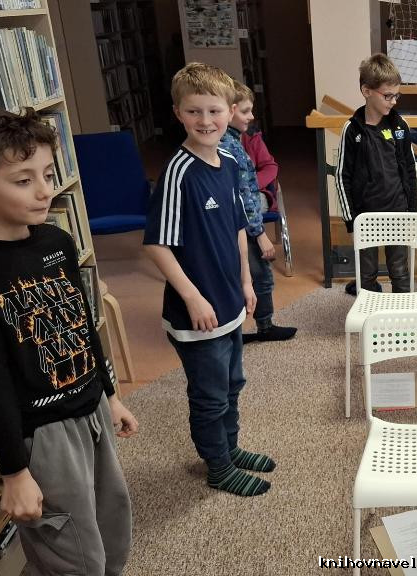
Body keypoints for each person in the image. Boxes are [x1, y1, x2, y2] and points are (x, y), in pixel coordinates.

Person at [0, 106, 138, 574]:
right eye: (24, 181)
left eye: (47, 174)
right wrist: (15, 471)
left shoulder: (55, 242)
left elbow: (82, 327)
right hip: (42, 434)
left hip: (91, 409)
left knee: (112, 531)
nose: (45, 190)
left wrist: (109, 395)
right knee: (72, 555)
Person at [143, 62, 273, 497]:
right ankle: (217, 466)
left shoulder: (229, 161)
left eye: (214, 111)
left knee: (233, 384)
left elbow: (238, 229)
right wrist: (193, 298)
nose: (205, 121)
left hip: (230, 301)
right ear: (178, 113)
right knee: (210, 395)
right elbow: (157, 245)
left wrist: (247, 283)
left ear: (230, 111)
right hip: (197, 313)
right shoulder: (177, 173)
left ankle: (229, 449)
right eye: (194, 111)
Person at [219, 79, 296, 343]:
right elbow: (243, 196)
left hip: (242, 221)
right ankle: (250, 329)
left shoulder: (237, 141)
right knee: (252, 275)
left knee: (255, 275)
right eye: (245, 111)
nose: (251, 116)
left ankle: (261, 326)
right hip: (241, 225)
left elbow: (254, 182)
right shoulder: (229, 148)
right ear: (229, 111)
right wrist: (260, 233)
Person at [337, 53, 417, 296]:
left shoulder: (400, 126)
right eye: (387, 95)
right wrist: (351, 219)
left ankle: (403, 314)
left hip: (398, 211)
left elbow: (410, 170)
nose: (393, 101)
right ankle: (371, 311)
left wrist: (413, 211)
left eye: (397, 96)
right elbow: (342, 177)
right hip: (366, 215)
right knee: (367, 273)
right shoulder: (352, 130)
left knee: (399, 270)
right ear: (366, 91)